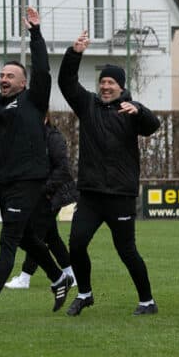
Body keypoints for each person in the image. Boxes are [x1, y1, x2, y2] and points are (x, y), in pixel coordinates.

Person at [0, 8, 74, 317]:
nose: (3, 79)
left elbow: (43, 70)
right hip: (4, 180)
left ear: (23, 83)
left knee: (8, 237)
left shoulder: (34, 100)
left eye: (10, 76)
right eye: (2, 75)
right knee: (25, 237)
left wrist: (35, 33)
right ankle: (59, 277)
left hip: (28, 180)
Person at [59, 31, 161, 316]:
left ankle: (147, 301)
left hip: (120, 195)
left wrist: (138, 110)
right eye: (102, 82)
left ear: (121, 87)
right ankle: (85, 294)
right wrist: (74, 54)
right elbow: (66, 83)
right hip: (91, 195)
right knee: (77, 244)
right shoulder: (87, 105)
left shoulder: (131, 111)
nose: (105, 86)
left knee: (126, 250)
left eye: (111, 83)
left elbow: (153, 126)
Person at [5, 116, 78, 289]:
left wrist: (44, 189)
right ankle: (71, 274)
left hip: (52, 194)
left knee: (35, 236)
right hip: (42, 194)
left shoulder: (54, 137)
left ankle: (25, 277)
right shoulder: (32, 137)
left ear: (45, 118)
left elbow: (62, 169)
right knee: (51, 237)